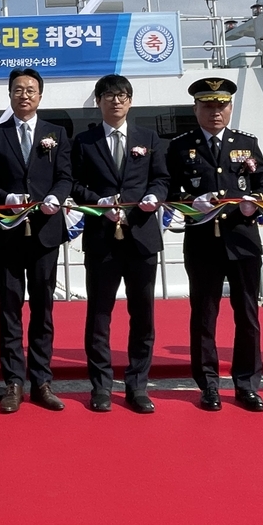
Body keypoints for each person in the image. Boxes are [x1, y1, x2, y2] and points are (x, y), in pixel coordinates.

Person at [166, 78, 263, 413]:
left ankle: (246, 384)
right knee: (204, 316)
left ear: (230, 107)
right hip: (202, 243)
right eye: (208, 106)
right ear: (196, 108)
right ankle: (208, 384)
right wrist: (189, 200)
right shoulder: (180, 146)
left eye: (221, 105)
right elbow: (168, 190)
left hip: (243, 240)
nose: (215, 112)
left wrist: (256, 201)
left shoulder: (246, 144)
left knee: (248, 315)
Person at [70, 74, 169, 414]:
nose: (116, 101)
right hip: (102, 239)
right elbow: (74, 184)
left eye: (122, 95)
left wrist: (155, 195)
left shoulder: (148, 138)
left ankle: (137, 386)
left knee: (142, 316)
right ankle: (100, 386)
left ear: (130, 100)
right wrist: (96, 201)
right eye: (109, 95)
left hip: (141, 238)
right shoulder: (84, 142)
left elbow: (161, 178)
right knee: (99, 316)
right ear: (98, 101)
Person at [0, 67, 71, 414]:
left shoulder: (56, 133)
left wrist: (56, 197)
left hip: (45, 234)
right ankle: (13, 383)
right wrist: (6, 197)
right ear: (10, 94)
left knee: (43, 310)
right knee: (9, 310)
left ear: (40, 96)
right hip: (8, 233)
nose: (25, 95)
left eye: (31, 90)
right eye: (18, 89)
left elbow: (66, 176)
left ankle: (42, 381)